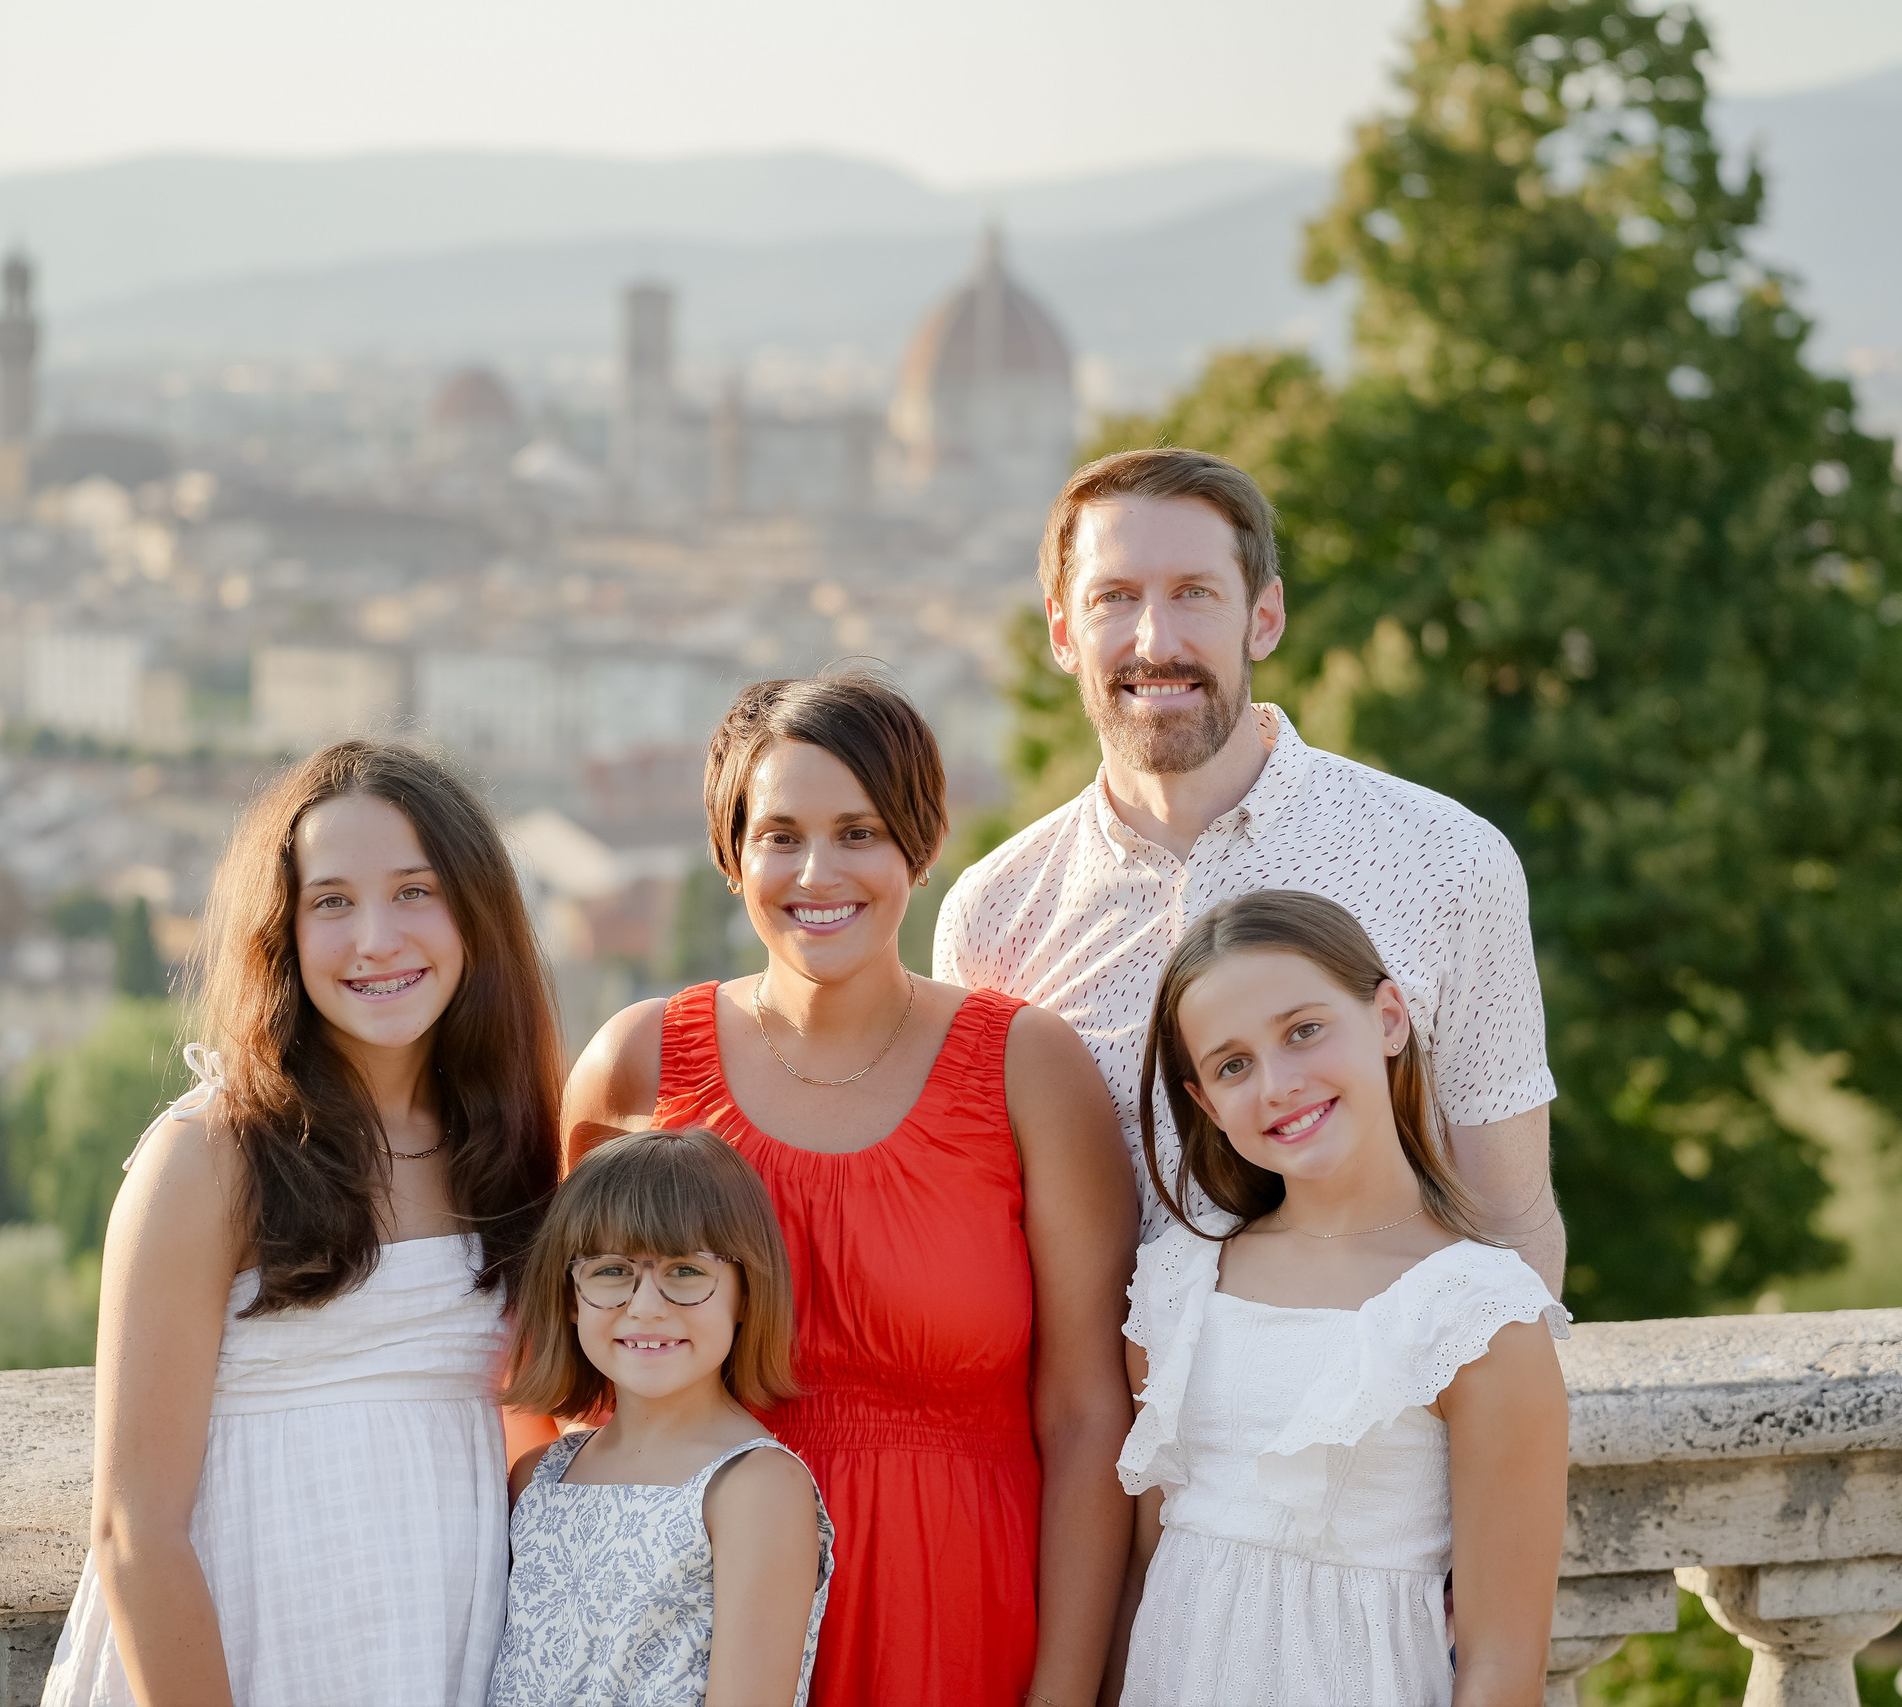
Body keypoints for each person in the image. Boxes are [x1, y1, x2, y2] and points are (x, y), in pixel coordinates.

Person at [565, 671, 1138, 1707]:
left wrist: (1064, 1694)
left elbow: (1087, 1416)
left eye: (859, 831)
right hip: (700, 1635)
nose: (816, 870)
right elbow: (569, 1397)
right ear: (730, 856)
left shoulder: (1028, 1071)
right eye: (778, 834)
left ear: (919, 847)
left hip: (962, 1621)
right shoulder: (636, 1069)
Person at [933, 447, 1564, 1288]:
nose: (1156, 639)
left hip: (1383, 1410)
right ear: (1062, 632)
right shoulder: (993, 915)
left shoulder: (1448, 859)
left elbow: (1511, 1220)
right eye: (1115, 598)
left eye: (1195, 592)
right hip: (1120, 1415)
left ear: (1263, 617)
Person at [44, 741, 563, 1707]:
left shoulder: (506, 1149)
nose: (375, 937)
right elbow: (132, 1530)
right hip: (242, 1657)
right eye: (332, 901)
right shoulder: (207, 1155)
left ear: (476, 913)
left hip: (440, 1653)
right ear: (281, 932)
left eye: (416, 891)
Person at [1114, 889, 1568, 1707]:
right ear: (1207, 1104)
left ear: (1389, 1017)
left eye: (1304, 1030)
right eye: (1233, 1064)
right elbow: (1146, 1569)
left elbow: (1503, 1664)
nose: (1279, 1083)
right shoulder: (1178, 1286)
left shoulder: (1478, 1314)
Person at [492, 1127, 834, 1707]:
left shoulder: (755, 1487)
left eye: (685, 1271)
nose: (645, 1307)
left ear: (746, 1292)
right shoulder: (536, 1479)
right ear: (570, 1297)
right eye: (610, 1271)